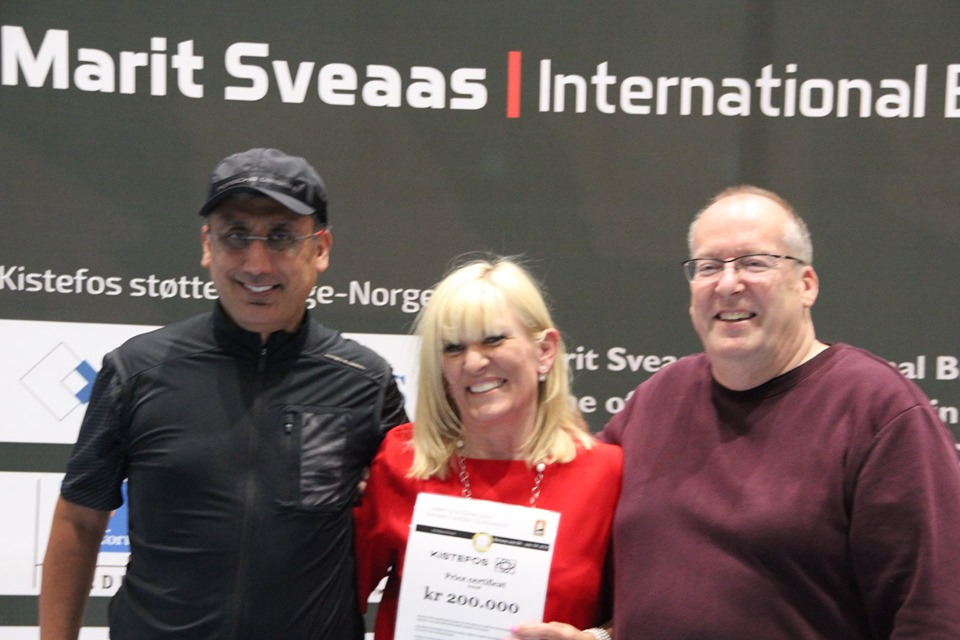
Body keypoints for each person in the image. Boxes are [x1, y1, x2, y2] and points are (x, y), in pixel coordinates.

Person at [515, 185, 960, 639]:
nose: (728, 284)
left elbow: (933, 616)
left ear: (806, 285)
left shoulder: (879, 412)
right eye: (709, 267)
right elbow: (593, 562)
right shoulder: (656, 401)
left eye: (754, 263)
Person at [38, 147, 408, 640]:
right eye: (236, 235)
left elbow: (416, 521)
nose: (257, 263)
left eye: (281, 237)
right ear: (207, 245)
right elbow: (80, 521)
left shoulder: (365, 382)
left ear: (320, 249)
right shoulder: (136, 371)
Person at [353, 257, 622, 640]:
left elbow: (653, 613)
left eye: (493, 339)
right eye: (453, 348)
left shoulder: (604, 473)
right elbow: (333, 595)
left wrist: (595, 639)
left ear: (545, 351)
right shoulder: (403, 461)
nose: (474, 362)